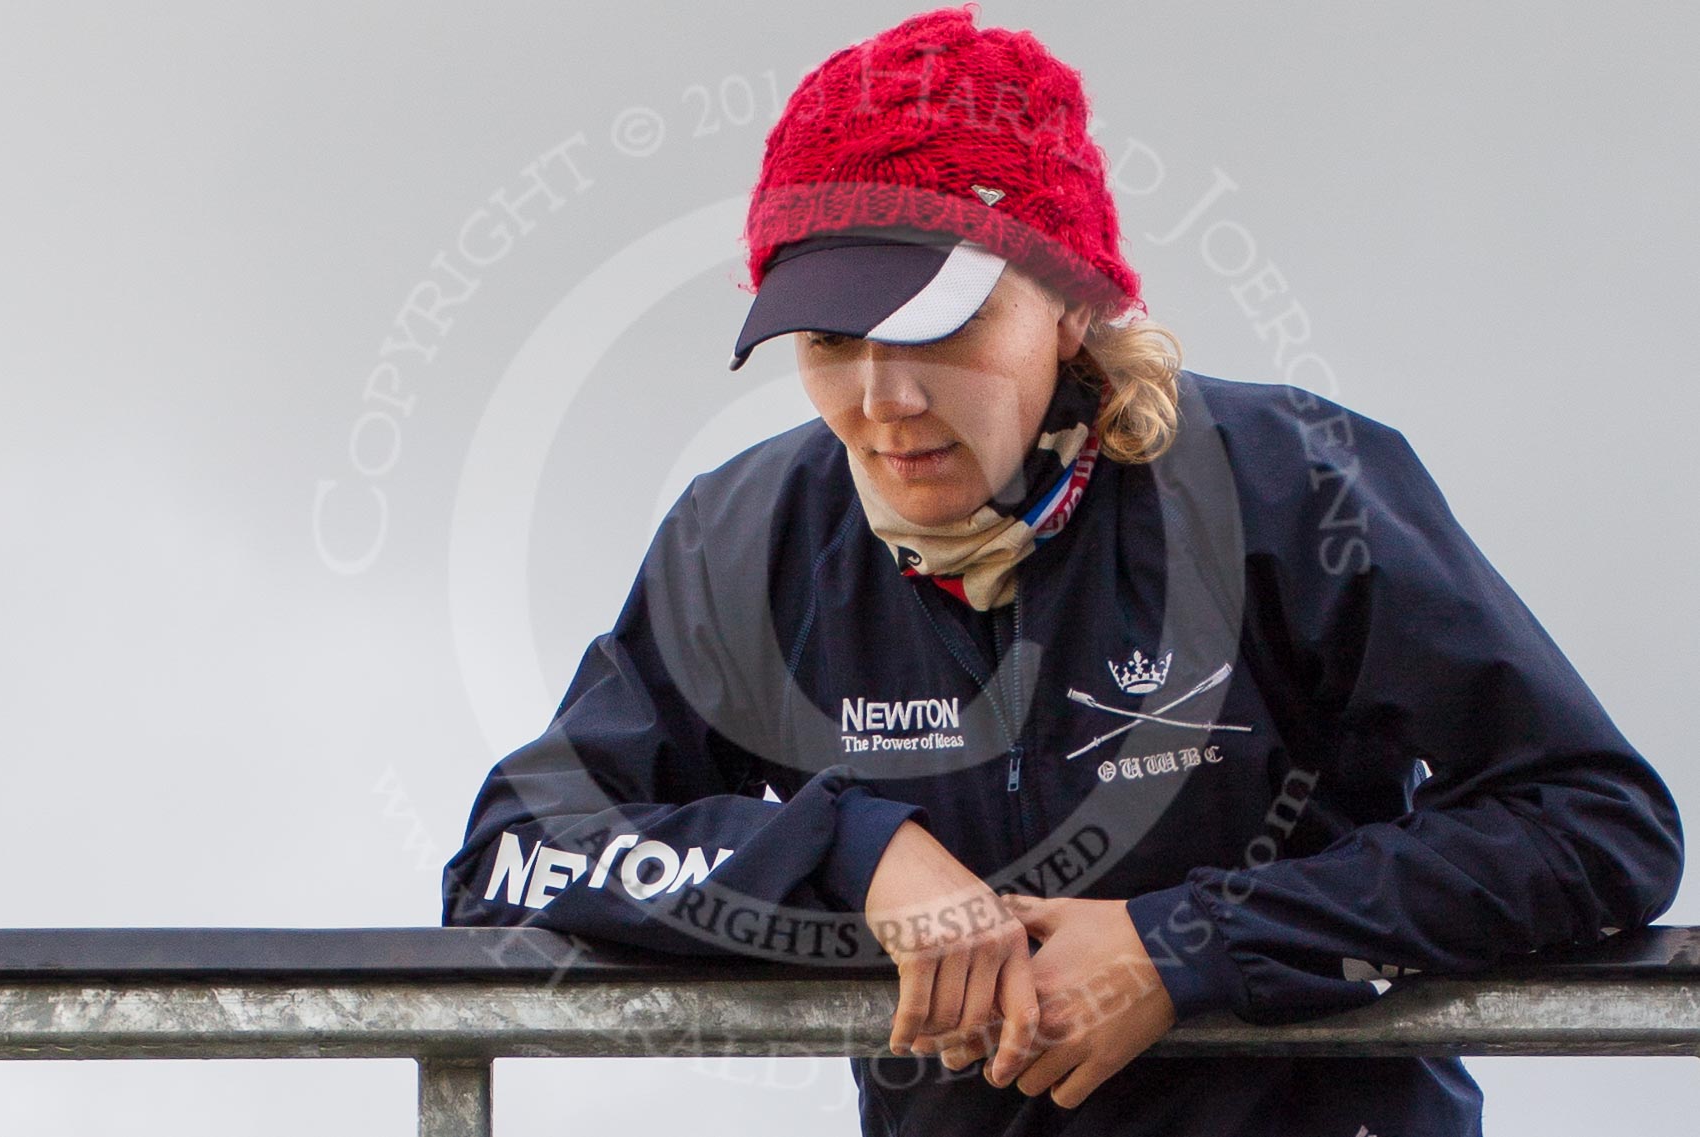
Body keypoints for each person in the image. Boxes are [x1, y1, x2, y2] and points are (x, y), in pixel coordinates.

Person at [442, 6, 1684, 1134]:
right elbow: (512, 855)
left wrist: (1186, 945)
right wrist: (855, 854)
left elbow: (1594, 825)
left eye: (937, 322)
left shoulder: (1292, 485)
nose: (883, 400)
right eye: (827, 339)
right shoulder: (747, 542)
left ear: (1070, 304)